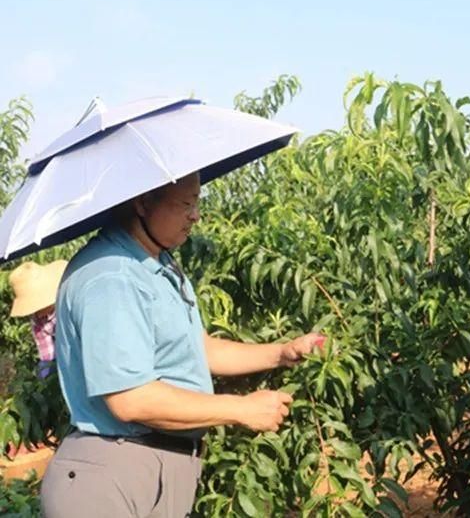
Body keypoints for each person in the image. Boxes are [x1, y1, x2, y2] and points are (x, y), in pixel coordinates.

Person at [40, 172, 325, 518]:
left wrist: (282, 352)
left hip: (151, 468)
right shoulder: (112, 277)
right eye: (186, 204)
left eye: (197, 202)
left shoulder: (155, 264)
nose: (196, 215)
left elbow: (197, 349)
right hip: (113, 475)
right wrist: (241, 409)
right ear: (143, 203)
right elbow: (130, 399)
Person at [8, 260, 68, 379]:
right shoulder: (37, 321)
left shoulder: (67, 302)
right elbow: (47, 354)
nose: (36, 312)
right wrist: (44, 379)